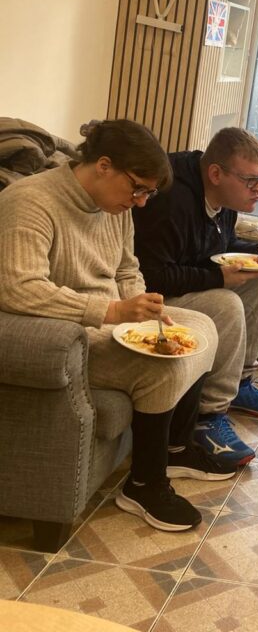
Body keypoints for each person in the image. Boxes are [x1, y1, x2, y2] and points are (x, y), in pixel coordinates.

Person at [0, 119, 237, 532]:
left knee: (202, 326)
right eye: (138, 188)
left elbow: (128, 268)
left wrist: (144, 308)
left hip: (112, 318)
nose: (142, 202)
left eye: (148, 192)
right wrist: (111, 313)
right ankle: (145, 484)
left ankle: (176, 447)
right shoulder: (30, 202)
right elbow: (20, 289)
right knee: (161, 364)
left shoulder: (114, 207)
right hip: (69, 330)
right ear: (104, 165)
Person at [132, 128, 258, 466]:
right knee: (226, 303)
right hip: (149, 296)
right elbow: (151, 276)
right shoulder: (170, 201)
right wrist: (217, 278)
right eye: (251, 181)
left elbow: (216, 246)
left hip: (178, 280)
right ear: (216, 173)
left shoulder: (221, 197)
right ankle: (207, 417)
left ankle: (240, 382)